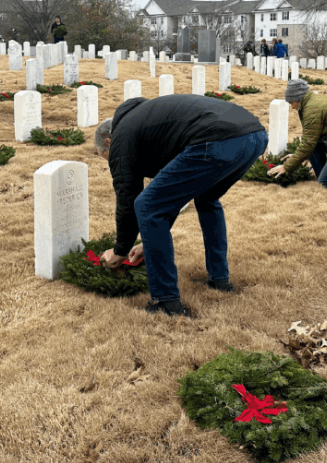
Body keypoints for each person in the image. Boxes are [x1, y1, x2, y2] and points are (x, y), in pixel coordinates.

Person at [96, 95, 268, 317]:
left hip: (217, 138)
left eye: (106, 157)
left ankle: (166, 302)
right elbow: (171, 196)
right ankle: (219, 279)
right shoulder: (149, 125)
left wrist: (120, 249)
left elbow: (128, 196)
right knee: (207, 199)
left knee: (146, 205)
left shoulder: (122, 136)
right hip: (254, 136)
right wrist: (148, 243)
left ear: (108, 142)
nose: (112, 161)